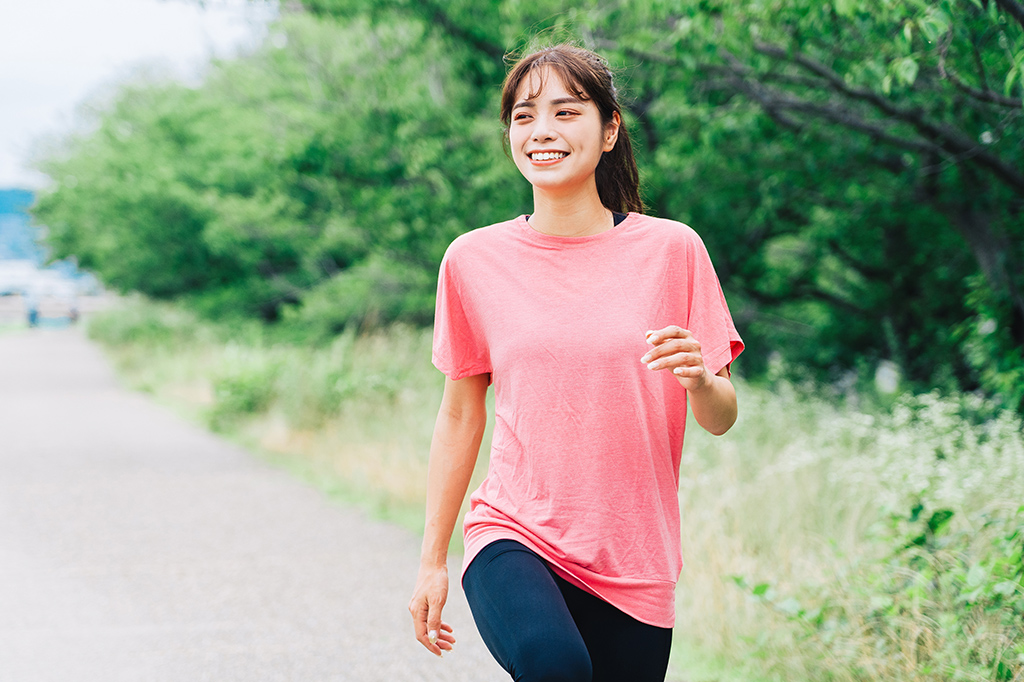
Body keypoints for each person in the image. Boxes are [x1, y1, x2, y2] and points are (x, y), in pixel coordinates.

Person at [408, 44, 744, 682]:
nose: (543, 131)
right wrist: (432, 560)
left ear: (610, 128)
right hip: (514, 531)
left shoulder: (673, 251)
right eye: (525, 115)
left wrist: (700, 378)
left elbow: (722, 417)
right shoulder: (472, 261)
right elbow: (458, 415)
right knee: (556, 666)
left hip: (635, 558)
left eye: (567, 112)